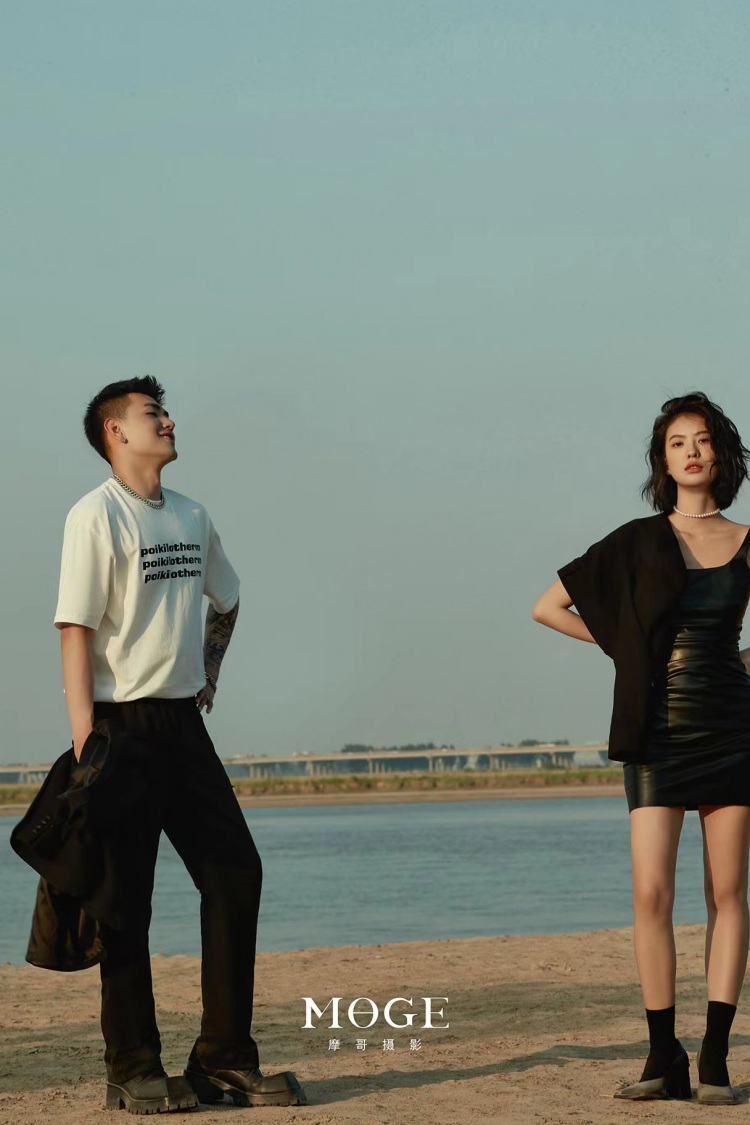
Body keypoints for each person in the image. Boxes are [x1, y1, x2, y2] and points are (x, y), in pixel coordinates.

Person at [54, 376, 306, 1114]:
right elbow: (74, 631)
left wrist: (209, 672)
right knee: (124, 900)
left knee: (236, 875)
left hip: (184, 728)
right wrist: (85, 743)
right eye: (151, 413)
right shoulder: (94, 516)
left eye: (165, 411)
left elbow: (227, 597)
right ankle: (132, 1066)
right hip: (119, 727)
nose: (167, 421)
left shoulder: (193, 515)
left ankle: (224, 1059)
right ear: (115, 432)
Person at [531, 391, 750, 1106]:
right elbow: (548, 606)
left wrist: (740, 668)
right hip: (654, 729)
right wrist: (630, 651)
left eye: (702, 439)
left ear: (721, 452)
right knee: (650, 892)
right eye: (677, 442)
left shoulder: (749, 539)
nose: (691, 452)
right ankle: (664, 1054)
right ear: (663, 460)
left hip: (733, 728)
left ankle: (714, 1054)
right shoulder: (636, 539)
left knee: (728, 893)